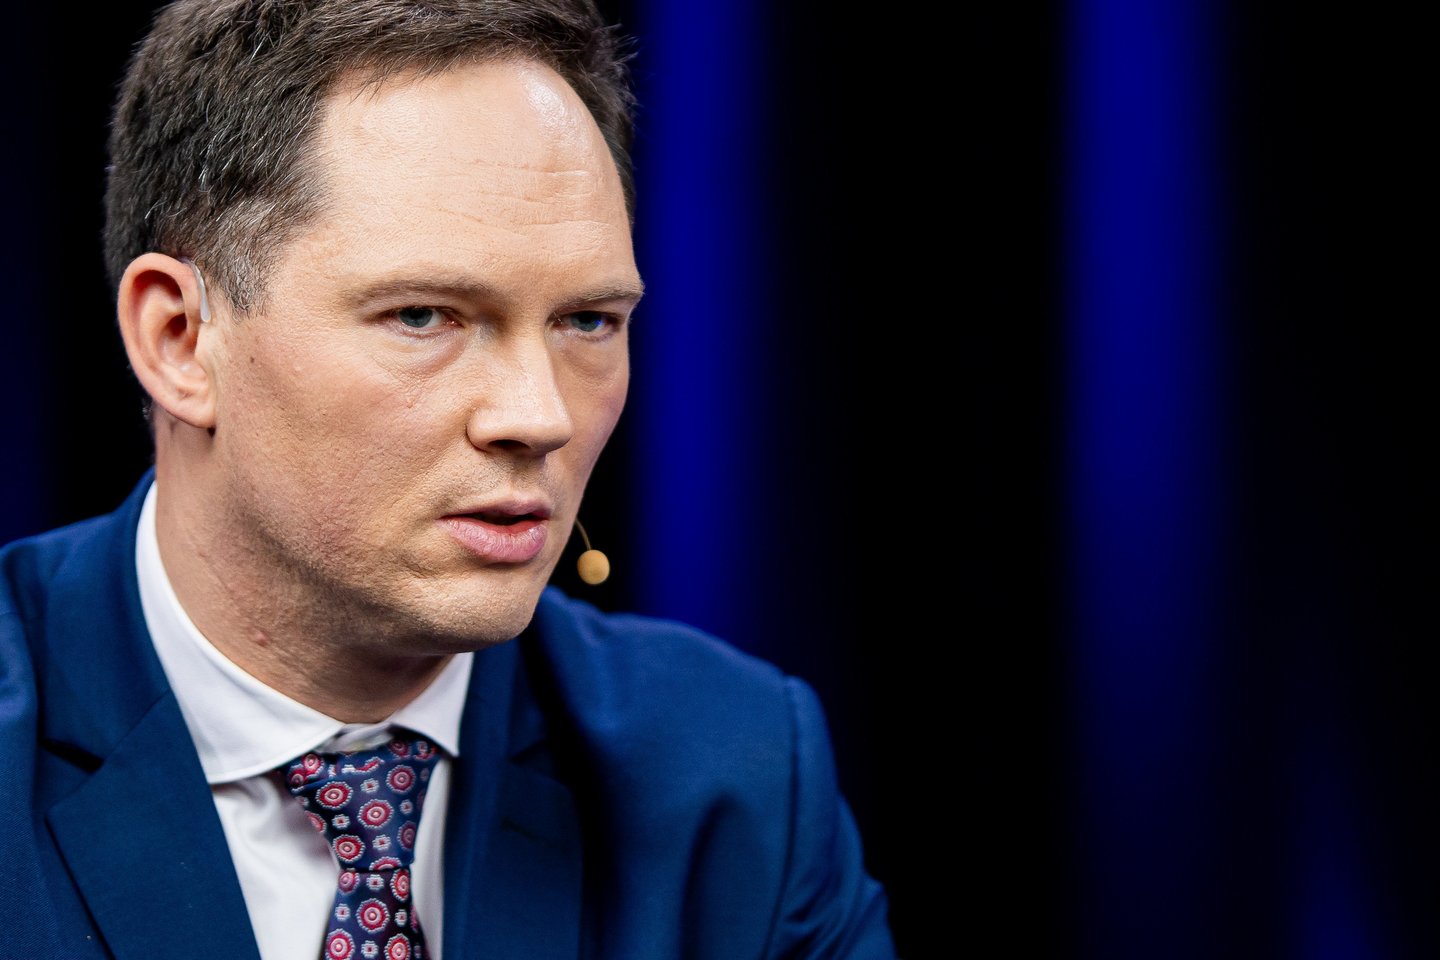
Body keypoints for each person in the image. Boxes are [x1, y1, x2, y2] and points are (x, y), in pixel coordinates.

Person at [0, 1, 895, 958]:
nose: (540, 416)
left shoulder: (737, 776)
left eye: (587, 321)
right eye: (424, 316)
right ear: (180, 339)